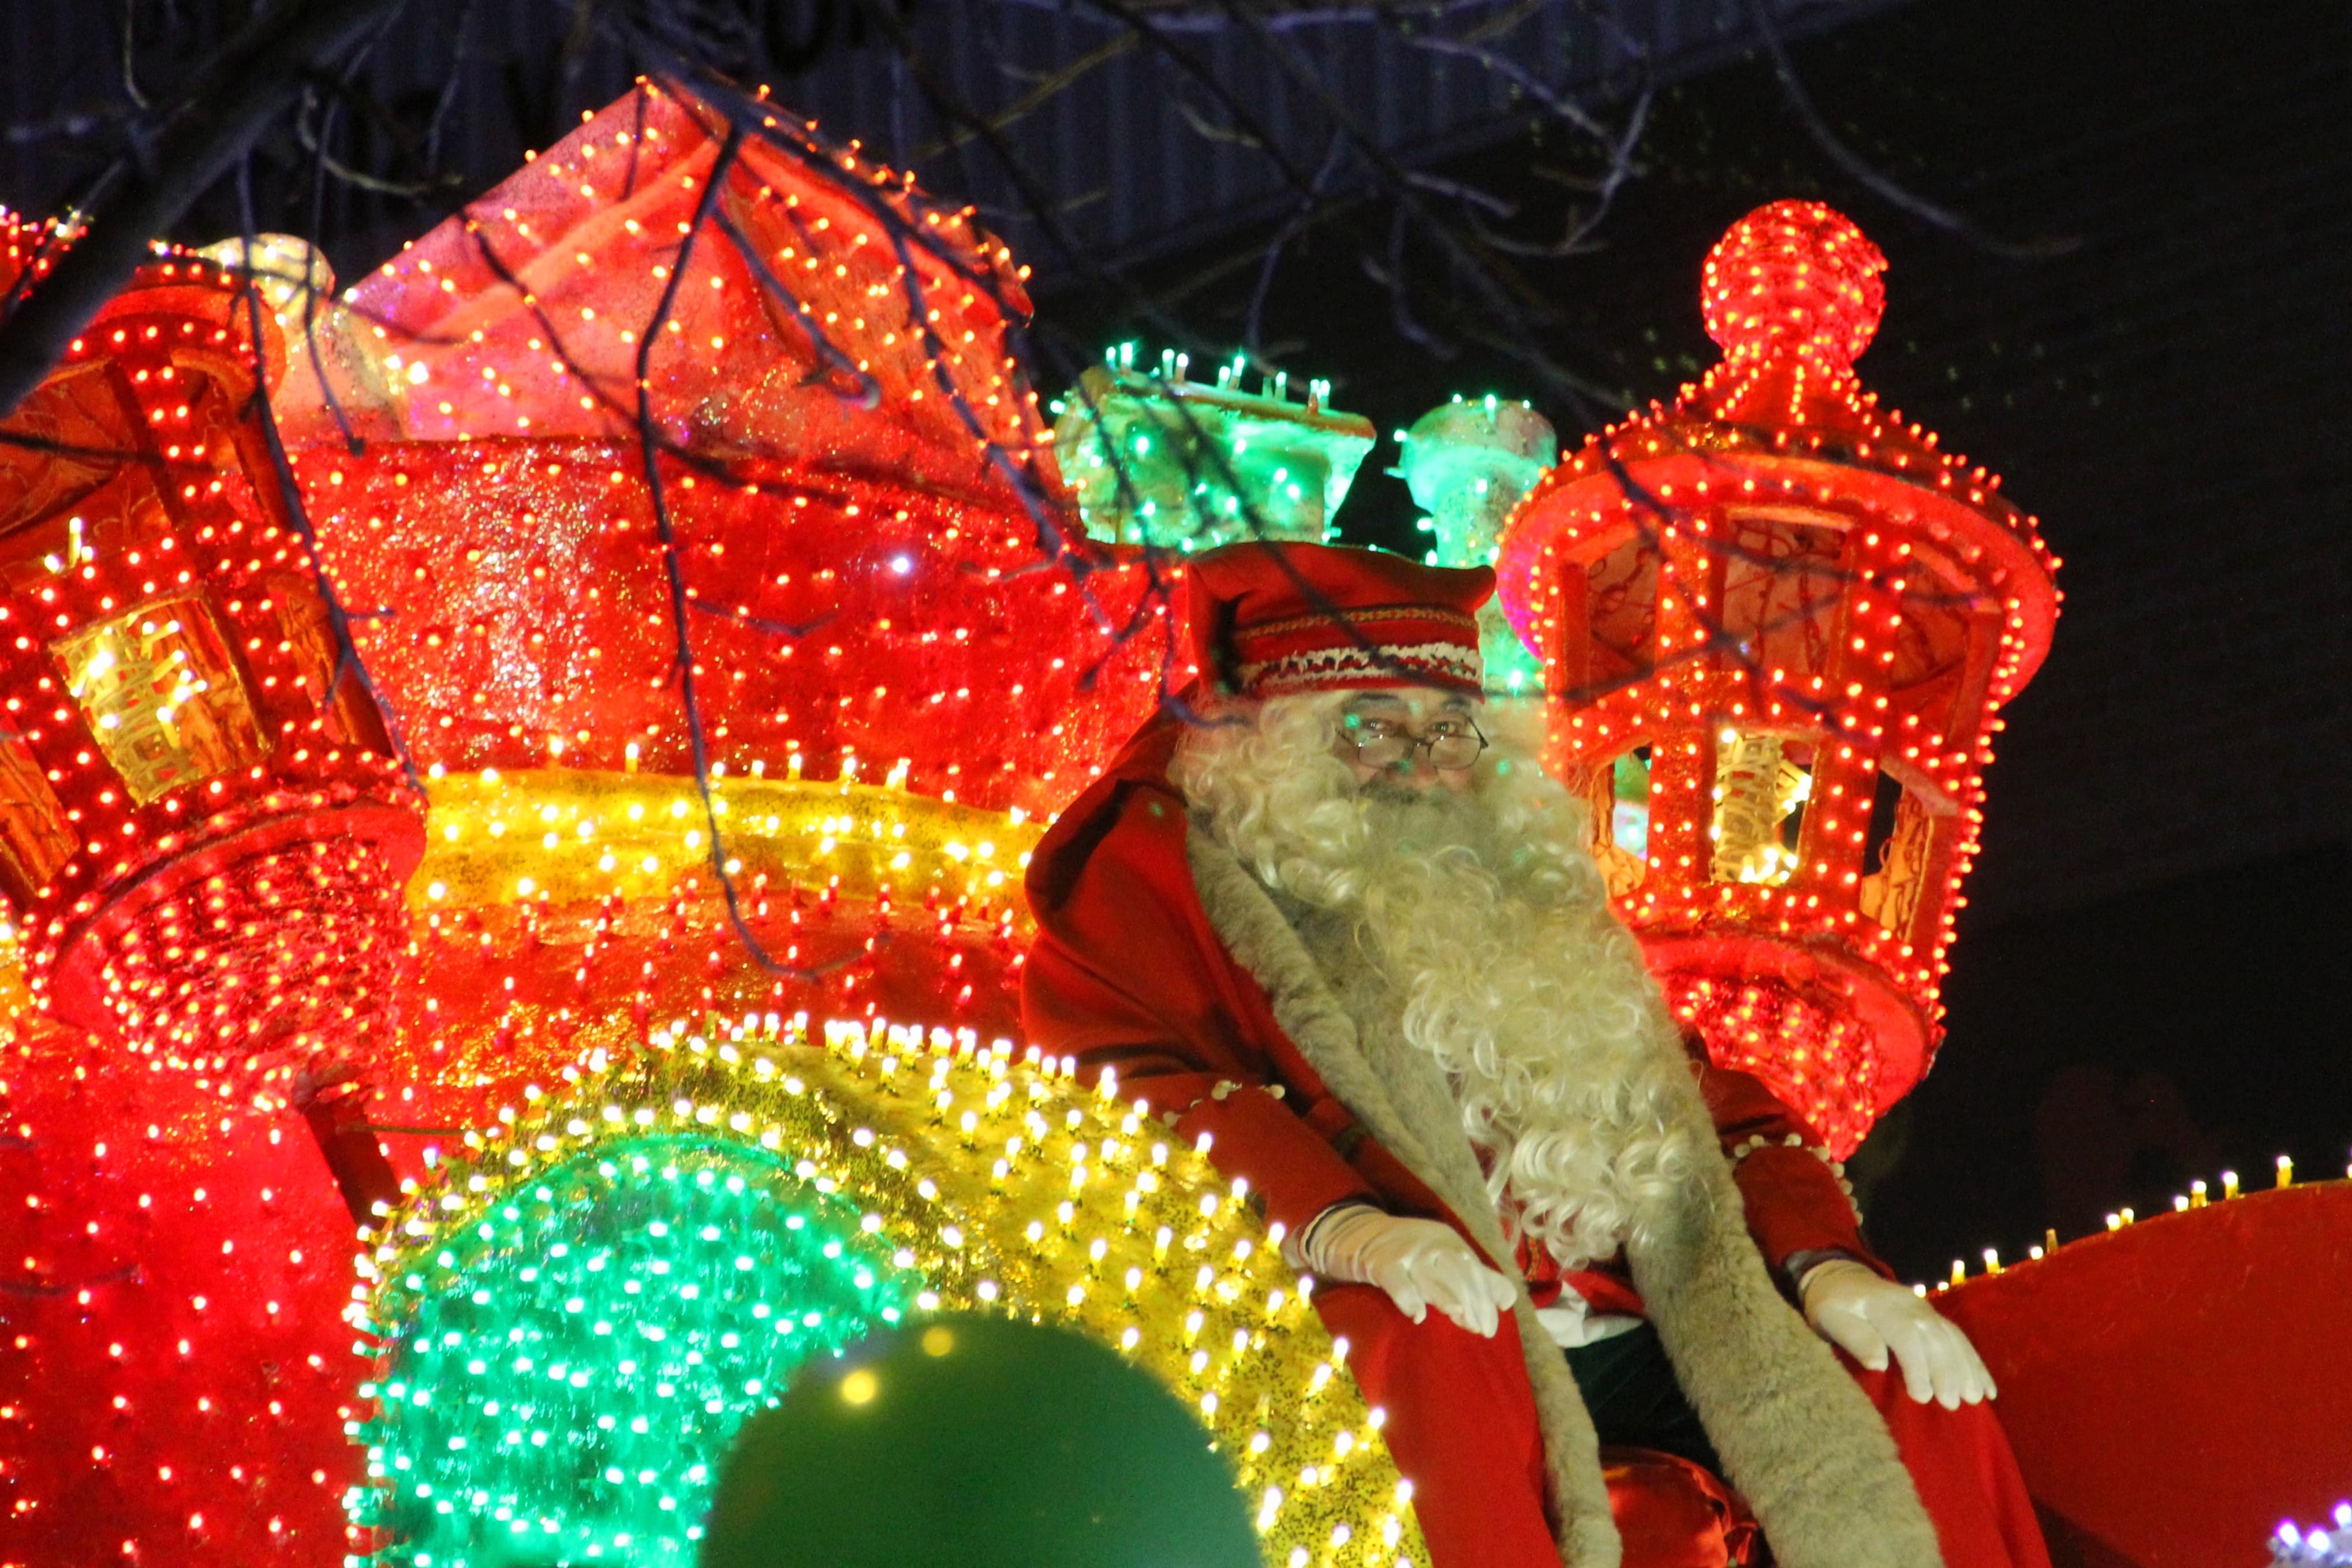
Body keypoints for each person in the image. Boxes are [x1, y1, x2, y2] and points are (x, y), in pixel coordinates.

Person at [1022, 541, 2051, 1568]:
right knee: (1427, 1331)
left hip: (1642, 1328)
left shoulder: (1522, 903)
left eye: (1449, 729)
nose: (1422, 762)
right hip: (1436, 1325)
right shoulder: (1172, 877)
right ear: (1281, 747)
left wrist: (1826, 1264)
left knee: (1895, 1371)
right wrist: (1341, 1227)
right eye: (1375, 726)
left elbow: (1718, 1113)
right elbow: (1130, 1082)